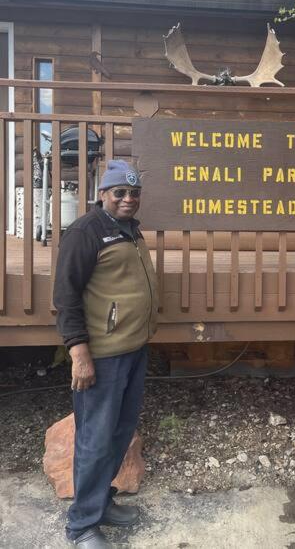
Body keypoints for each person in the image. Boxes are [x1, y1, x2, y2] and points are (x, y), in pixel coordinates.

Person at [53, 160, 159, 548]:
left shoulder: (130, 230)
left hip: (133, 349)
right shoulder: (86, 231)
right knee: (95, 440)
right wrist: (78, 351)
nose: (128, 199)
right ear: (103, 195)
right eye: (120, 192)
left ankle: (100, 503)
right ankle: (81, 526)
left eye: (134, 193)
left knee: (117, 433)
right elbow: (64, 295)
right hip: (102, 355)